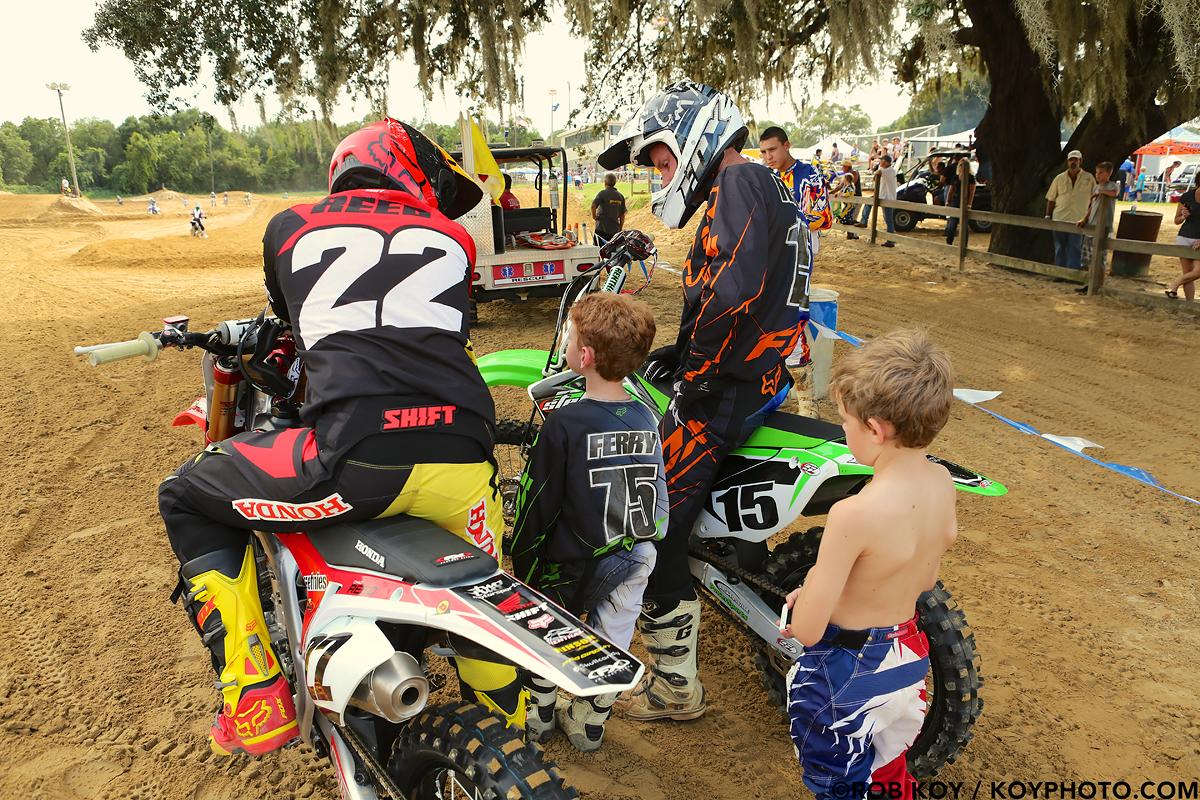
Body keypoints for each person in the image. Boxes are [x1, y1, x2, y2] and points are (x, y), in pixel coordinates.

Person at [158, 119, 524, 757]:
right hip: (467, 455)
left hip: (357, 459)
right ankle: (513, 725)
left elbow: (297, 327)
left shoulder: (290, 226)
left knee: (186, 495)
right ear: (407, 171)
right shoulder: (453, 238)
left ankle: (255, 696)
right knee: (485, 594)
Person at [598, 80, 805, 722]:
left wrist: (697, 371)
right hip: (759, 378)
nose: (662, 172)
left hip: (728, 388)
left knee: (654, 528)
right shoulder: (764, 185)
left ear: (695, 132)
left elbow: (734, 286)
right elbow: (730, 281)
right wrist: (682, 348)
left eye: (661, 158)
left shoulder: (740, 182)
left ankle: (674, 690)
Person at [782, 329, 957, 800]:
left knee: (838, 785)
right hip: (908, 659)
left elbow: (809, 629)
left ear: (875, 429)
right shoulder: (942, 481)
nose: (843, 431)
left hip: (847, 673)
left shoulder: (854, 513)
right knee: (886, 768)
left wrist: (811, 591)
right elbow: (925, 577)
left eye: (844, 422)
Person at [513, 293, 667, 752]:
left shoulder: (563, 423)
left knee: (548, 630)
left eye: (571, 335)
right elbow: (659, 488)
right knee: (612, 638)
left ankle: (539, 717)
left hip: (574, 555)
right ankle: (589, 723)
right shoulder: (648, 416)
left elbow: (537, 500)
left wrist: (521, 554)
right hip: (639, 549)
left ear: (585, 356)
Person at [759, 125, 830, 366]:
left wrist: (790, 219)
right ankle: (776, 366)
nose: (768, 156)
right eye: (763, 152)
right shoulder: (766, 177)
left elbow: (824, 216)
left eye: (772, 150)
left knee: (793, 306)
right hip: (771, 249)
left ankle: (798, 368)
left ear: (786, 145)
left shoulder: (809, 175)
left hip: (800, 248)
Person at [1045, 150, 1096, 269]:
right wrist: (1048, 216)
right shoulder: (1059, 178)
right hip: (1060, 218)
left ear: (1080, 161)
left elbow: (1094, 200)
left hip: (1078, 220)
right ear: (1067, 162)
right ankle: (1059, 272)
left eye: (1076, 159)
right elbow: (1051, 198)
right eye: (1071, 159)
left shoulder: (1089, 178)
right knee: (1059, 247)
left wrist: (1088, 217)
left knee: (1075, 247)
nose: (1073, 162)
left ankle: (1072, 273)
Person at [1078, 161, 1119, 268]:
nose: (1098, 175)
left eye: (1101, 172)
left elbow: (1114, 193)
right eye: (1097, 172)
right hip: (1092, 223)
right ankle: (1088, 281)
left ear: (1108, 173)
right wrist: (1085, 218)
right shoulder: (1096, 187)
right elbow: (1092, 206)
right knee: (1088, 256)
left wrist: (1101, 193)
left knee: (1100, 257)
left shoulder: (1112, 185)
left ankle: (1098, 282)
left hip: (1104, 225)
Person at [1165, 183, 1200, 299]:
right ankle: (1189, 306)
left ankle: (1175, 284)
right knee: (1188, 273)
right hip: (1184, 237)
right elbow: (1176, 220)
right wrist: (1184, 216)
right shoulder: (1187, 197)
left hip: (1198, 241)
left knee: (1197, 272)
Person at [944, 158, 976, 246]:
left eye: (964, 165)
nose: (962, 167)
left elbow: (972, 192)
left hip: (965, 203)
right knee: (952, 224)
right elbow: (951, 191)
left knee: (964, 225)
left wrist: (969, 203)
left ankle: (964, 245)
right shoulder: (955, 177)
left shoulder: (971, 178)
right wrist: (948, 201)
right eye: (961, 165)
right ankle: (949, 242)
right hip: (955, 202)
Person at [591, 172, 627, 245]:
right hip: (614, 230)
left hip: (601, 228)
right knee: (612, 252)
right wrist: (620, 228)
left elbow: (593, 206)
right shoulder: (620, 196)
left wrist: (594, 216)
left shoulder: (602, 193)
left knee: (598, 250)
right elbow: (622, 215)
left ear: (605, 182)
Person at [876, 154, 899, 247]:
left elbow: (877, 173)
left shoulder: (889, 171)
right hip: (885, 197)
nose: (880, 162)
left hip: (888, 198)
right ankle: (891, 239)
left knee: (889, 220)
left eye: (881, 160)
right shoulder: (888, 170)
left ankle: (891, 240)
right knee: (888, 219)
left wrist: (879, 168)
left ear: (885, 162)